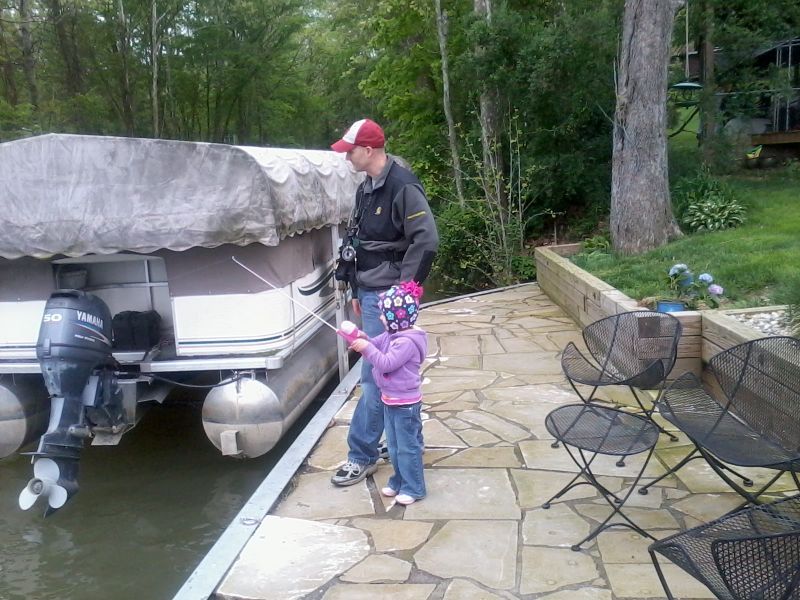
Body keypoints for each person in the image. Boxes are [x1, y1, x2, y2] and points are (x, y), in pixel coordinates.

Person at [330, 118, 439, 486]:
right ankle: (400, 440)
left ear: (369, 150)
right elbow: (357, 243)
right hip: (369, 293)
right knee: (383, 375)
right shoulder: (366, 188)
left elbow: (426, 240)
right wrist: (356, 292)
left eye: (350, 151)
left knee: (377, 375)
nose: (346, 157)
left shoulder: (402, 186)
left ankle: (361, 454)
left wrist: (406, 293)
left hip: (391, 297)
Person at [349, 281, 427, 504]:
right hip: (390, 400)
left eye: (384, 314)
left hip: (405, 405)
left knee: (407, 448)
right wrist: (363, 339)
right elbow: (376, 343)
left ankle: (414, 488)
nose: (381, 318)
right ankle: (399, 481)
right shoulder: (392, 334)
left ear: (396, 317)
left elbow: (386, 363)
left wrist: (367, 349)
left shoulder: (406, 342)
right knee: (393, 447)